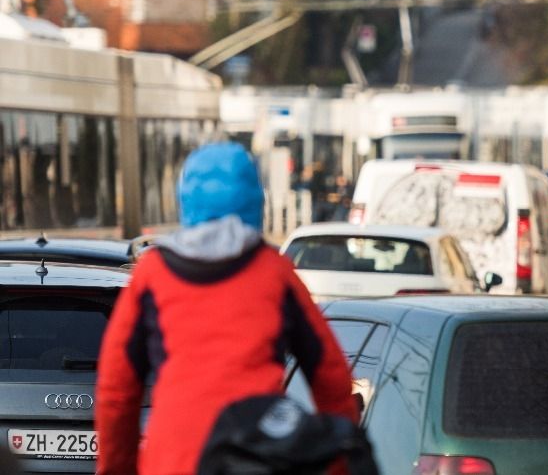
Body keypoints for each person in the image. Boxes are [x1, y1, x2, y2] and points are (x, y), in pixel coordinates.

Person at [95, 142, 359, 475]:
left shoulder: (152, 276)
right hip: (259, 458)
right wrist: (339, 465)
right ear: (256, 201)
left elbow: (117, 392)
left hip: (173, 461)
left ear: (185, 201)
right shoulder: (274, 274)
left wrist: (117, 469)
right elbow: (330, 376)